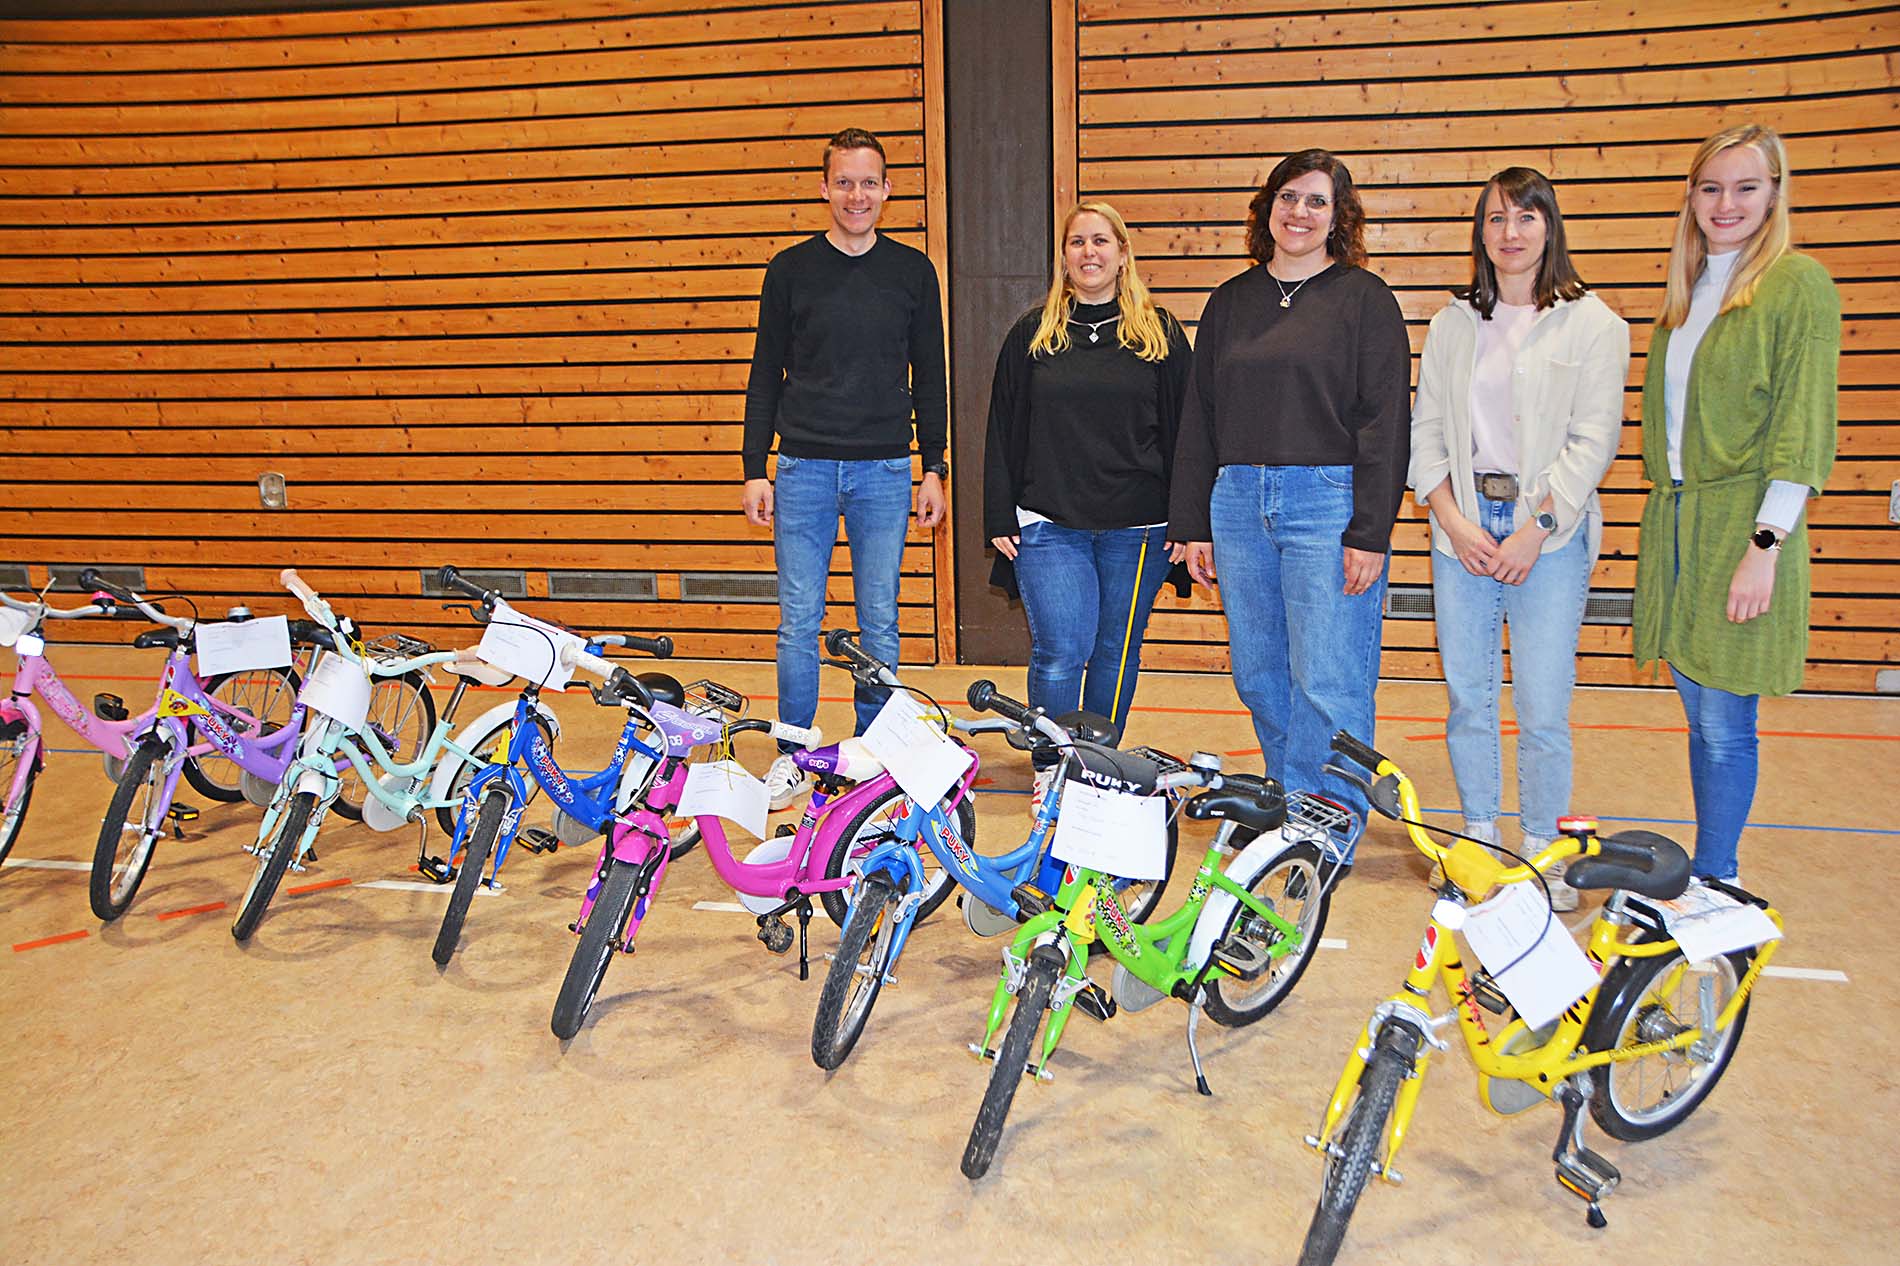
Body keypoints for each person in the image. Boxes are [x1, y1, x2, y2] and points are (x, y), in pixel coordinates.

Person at [1168, 149, 1411, 850]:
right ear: (1267, 208)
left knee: (1328, 678)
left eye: (1316, 201)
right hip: (1238, 501)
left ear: (1338, 218)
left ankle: (1327, 825)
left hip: (1326, 504)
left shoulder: (1365, 300)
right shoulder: (1230, 302)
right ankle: (1287, 804)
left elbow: (1385, 423)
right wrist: (1193, 522)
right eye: (1288, 197)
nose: (1298, 212)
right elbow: (1199, 417)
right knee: (1260, 673)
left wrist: (1370, 531)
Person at [1409, 168, 1630, 909]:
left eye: (1526, 217)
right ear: (1481, 232)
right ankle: (1478, 840)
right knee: (1469, 698)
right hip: (1465, 531)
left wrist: (1537, 529)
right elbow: (1427, 433)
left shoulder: (1593, 324)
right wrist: (1453, 520)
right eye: (1497, 218)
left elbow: (1593, 442)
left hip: (1549, 537)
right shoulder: (1452, 324)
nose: (1510, 232)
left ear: (1549, 227)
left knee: (1541, 707)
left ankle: (1543, 850)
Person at [1633, 124, 1840, 884]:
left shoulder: (1797, 284)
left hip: (1743, 526)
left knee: (1725, 723)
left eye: (1746, 187)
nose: (1726, 203)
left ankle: (1719, 876)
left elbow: (1802, 424)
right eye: (1711, 187)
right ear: (1691, 197)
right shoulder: (1686, 294)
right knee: (1700, 716)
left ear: (1775, 194)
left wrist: (1766, 544)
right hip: (1679, 524)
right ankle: (1711, 866)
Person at [741, 127, 949, 809]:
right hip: (802, 466)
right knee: (798, 620)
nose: (856, 195)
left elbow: (931, 377)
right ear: (824, 187)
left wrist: (934, 466)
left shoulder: (913, 272)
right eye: (844, 182)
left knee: (879, 620)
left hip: (883, 471)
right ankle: (794, 754)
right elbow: (764, 375)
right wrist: (755, 467)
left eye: (868, 183)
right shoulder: (790, 270)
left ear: (887, 190)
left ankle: (869, 755)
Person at [982, 201, 1192, 806]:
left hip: (1141, 527)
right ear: (1065, 257)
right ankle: (1053, 766)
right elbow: (1001, 427)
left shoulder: (1160, 333)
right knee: (1061, 649)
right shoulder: (1033, 334)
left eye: (1102, 241)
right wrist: (998, 511)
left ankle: (1097, 768)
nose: (1089, 252)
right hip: (1049, 522)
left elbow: (1188, 433)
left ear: (1123, 254)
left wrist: (1188, 520)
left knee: (1113, 654)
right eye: (1078, 242)